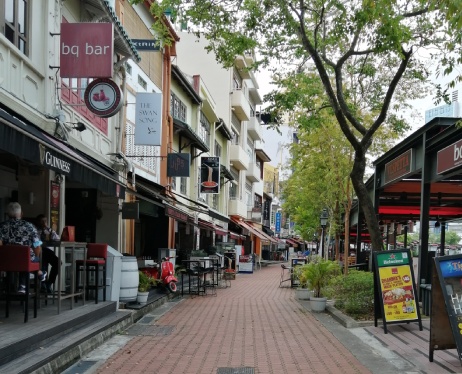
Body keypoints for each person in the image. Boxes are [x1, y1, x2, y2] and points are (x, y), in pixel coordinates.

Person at [0, 202, 46, 293]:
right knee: (29, 258)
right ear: (21, 214)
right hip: (25, 260)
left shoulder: (2, 226)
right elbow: (37, 246)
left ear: (8, 214)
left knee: (18, 259)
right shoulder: (29, 226)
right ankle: (23, 285)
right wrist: (36, 258)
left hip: (7, 261)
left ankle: (10, 287)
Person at [36, 214, 60, 293]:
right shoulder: (35, 231)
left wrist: (52, 232)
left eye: (45, 221)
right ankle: (43, 284)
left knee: (58, 263)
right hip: (38, 252)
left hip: (47, 251)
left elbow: (57, 239)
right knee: (43, 261)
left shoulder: (49, 230)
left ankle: (49, 283)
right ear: (38, 222)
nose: (44, 223)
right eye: (42, 221)